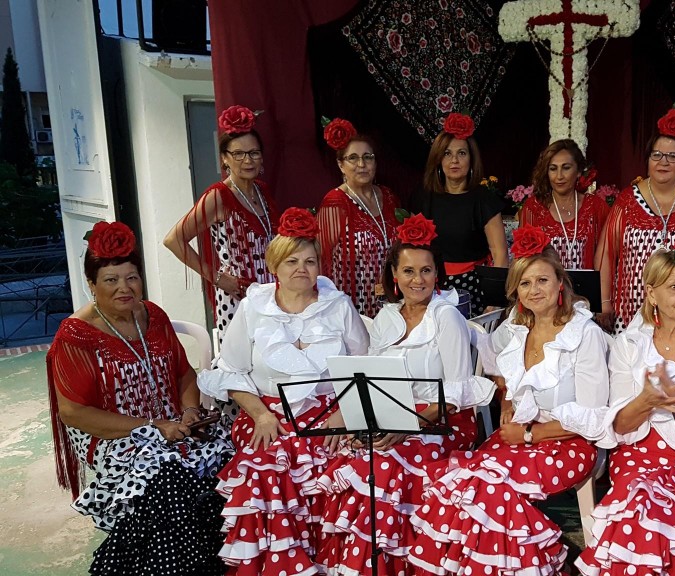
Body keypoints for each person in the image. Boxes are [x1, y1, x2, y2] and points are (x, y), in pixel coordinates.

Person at [408, 225, 611, 575]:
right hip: (518, 437)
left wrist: (530, 435)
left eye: (542, 280)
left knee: (491, 492)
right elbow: (492, 361)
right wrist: (506, 400)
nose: (534, 290)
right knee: (463, 486)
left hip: (570, 442)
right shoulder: (515, 328)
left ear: (560, 282)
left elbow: (592, 419)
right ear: (516, 289)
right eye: (525, 283)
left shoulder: (584, 335)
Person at [47, 221, 234, 575]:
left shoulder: (153, 314)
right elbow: (73, 413)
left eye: (131, 277)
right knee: (170, 485)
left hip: (174, 427)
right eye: (111, 280)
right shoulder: (76, 336)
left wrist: (191, 410)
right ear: (91, 284)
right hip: (116, 439)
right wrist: (152, 426)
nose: (124, 288)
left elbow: (183, 373)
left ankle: (219, 560)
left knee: (231, 460)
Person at [316, 213, 496, 575]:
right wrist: (356, 417)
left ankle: (397, 565)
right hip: (391, 416)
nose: (419, 280)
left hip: (441, 420)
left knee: (382, 465)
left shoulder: (445, 317)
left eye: (426, 271)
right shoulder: (385, 318)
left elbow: (457, 391)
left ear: (437, 273)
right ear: (394, 276)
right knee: (350, 458)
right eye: (409, 271)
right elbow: (373, 380)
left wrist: (409, 425)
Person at [198, 208, 370, 576]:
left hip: (330, 414)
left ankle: (331, 565)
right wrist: (260, 413)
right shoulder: (253, 307)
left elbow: (363, 366)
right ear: (274, 264)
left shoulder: (337, 306)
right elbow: (230, 371)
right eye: (291, 260)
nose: (301, 269)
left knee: (345, 471)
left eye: (310, 261)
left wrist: (344, 413)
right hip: (267, 414)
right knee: (267, 471)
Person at [576, 231, 675, 576]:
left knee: (673, 512)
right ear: (651, 292)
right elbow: (619, 427)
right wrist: (646, 401)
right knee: (641, 501)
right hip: (639, 456)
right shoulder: (629, 345)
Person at [597, 105, 675, 333]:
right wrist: (604, 303)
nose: (664, 162)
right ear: (648, 158)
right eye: (657, 155)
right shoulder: (627, 199)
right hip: (631, 311)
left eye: (672, 156)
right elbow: (606, 255)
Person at [163, 104, 278, 341]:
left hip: (270, 293)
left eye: (254, 153)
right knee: (243, 365)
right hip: (238, 296)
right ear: (225, 159)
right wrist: (216, 278)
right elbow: (173, 240)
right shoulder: (218, 196)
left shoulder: (262, 190)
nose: (247, 160)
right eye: (238, 154)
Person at [415, 112, 508, 316]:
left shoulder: (484, 199)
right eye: (447, 153)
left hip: (474, 289)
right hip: (432, 287)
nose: (454, 160)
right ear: (438, 160)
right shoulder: (425, 199)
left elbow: (500, 253)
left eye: (462, 153)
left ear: (471, 159)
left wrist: (495, 298)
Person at [317, 117, 401, 318]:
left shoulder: (388, 196)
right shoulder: (335, 202)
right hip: (353, 303)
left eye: (368, 157)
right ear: (340, 165)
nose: (361, 164)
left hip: (390, 298)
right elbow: (321, 258)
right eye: (353, 158)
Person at [518, 139, 609, 270]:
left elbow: (608, 257)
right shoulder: (534, 208)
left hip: (587, 289)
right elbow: (523, 261)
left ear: (578, 171)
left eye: (566, 168)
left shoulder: (596, 207)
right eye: (553, 169)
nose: (559, 176)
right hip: (547, 289)